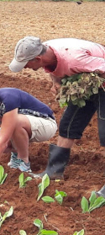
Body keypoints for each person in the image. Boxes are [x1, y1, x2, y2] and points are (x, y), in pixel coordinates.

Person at [9, 36, 105, 190]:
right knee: (68, 125)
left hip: (102, 83)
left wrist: (92, 83)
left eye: (26, 64)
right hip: (88, 83)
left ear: (38, 59)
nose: (25, 68)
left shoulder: (75, 59)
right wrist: (57, 82)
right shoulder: (48, 51)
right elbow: (53, 67)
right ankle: (53, 172)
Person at [0, 83, 57, 181]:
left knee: (15, 123)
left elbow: (3, 141)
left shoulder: (8, 99)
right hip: (22, 126)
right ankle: (16, 155)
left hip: (46, 124)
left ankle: (23, 161)